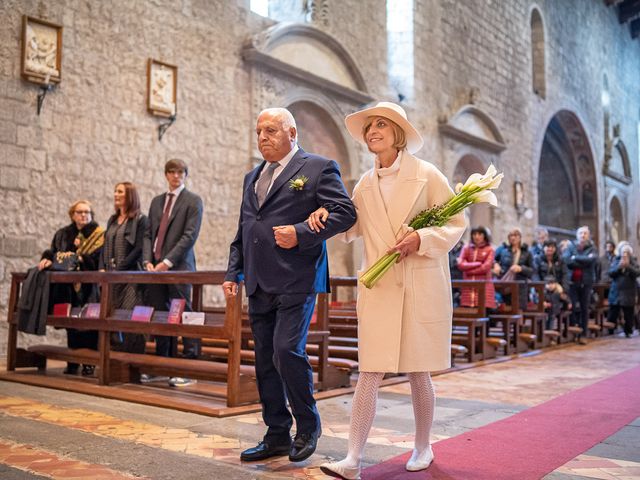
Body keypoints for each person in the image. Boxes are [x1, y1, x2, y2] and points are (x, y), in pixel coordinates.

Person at [307, 102, 466, 478]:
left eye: (380, 125)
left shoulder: (427, 175)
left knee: (417, 372)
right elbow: (352, 226)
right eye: (368, 127)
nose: (372, 131)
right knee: (370, 372)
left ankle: (423, 446)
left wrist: (421, 238)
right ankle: (352, 458)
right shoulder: (364, 183)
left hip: (418, 284)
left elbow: (456, 224)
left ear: (398, 132)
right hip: (379, 288)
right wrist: (325, 217)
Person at [223, 107, 356, 463]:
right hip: (258, 280)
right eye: (258, 132)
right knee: (265, 359)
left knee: (286, 351)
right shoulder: (252, 176)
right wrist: (232, 271)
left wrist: (299, 233)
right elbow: (245, 227)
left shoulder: (317, 167)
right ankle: (276, 433)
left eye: (270, 130)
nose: (262, 137)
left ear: (292, 133)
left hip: (297, 277)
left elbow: (345, 212)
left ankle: (308, 426)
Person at [143, 159, 204, 386]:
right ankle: (162, 365)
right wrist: (148, 260)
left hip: (179, 267)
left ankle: (188, 368)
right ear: (166, 175)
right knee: (160, 315)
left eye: (180, 172)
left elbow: (189, 236)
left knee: (183, 314)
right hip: (155, 268)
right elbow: (149, 234)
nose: (176, 176)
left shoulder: (193, 201)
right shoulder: (157, 201)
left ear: (185, 175)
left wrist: (167, 262)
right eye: (172, 172)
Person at [38, 200, 104, 375]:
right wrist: (46, 258)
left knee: (89, 323)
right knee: (72, 322)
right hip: (68, 286)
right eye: (80, 212)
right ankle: (73, 361)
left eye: (87, 212)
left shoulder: (99, 236)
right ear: (72, 215)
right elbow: (54, 252)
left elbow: (101, 259)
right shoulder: (63, 234)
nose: (84, 215)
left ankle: (89, 362)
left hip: (89, 286)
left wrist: (82, 259)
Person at [101, 182, 148, 353]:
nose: (116, 194)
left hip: (130, 276)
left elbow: (139, 249)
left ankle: (133, 359)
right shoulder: (112, 220)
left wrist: (121, 268)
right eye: (115, 191)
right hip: (111, 276)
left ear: (130, 195)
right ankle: (115, 358)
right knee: (111, 317)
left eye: (120, 191)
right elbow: (105, 244)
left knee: (129, 315)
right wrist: (102, 268)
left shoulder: (140, 220)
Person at [562, 226, 598, 344]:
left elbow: (591, 261)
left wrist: (576, 258)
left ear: (588, 235)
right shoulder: (570, 247)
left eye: (585, 233)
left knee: (584, 307)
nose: (583, 235)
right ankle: (573, 331)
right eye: (581, 233)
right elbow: (567, 260)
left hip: (586, 281)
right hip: (573, 281)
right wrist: (583, 260)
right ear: (577, 235)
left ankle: (584, 332)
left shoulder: (592, 248)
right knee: (572, 306)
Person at [493, 227, 534, 310]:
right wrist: (496, 265)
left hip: (520, 287)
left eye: (515, 235)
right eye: (511, 235)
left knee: (518, 311)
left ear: (520, 237)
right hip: (505, 285)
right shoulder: (503, 251)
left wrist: (521, 268)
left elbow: (532, 271)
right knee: (503, 310)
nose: (513, 238)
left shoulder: (527, 253)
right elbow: (493, 260)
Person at [457, 226, 496, 310]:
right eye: (474, 234)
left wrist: (468, 271)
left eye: (479, 234)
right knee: (468, 314)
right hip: (468, 287)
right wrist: (477, 264)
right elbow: (460, 264)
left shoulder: (490, 249)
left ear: (484, 236)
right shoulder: (466, 248)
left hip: (484, 286)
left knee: (484, 313)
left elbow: (486, 267)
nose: (477, 236)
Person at [607, 243, 639, 338]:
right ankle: (610, 329)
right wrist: (619, 267)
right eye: (623, 252)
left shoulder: (634, 262)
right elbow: (610, 273)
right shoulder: (616, 260)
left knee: (628, 313)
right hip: (616, 291)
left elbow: (637, 273)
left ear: (630, 254)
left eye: (626, 253)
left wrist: (628, 266)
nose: (624, 254)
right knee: (613, 312)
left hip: (628, 291)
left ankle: (628, 331)